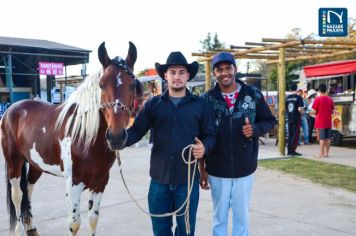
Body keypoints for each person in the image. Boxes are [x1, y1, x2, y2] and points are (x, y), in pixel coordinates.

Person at [124, 51, 216, 236]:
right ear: (165, 75)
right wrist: (118, 138)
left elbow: (211, 135)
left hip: (187, 182)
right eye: (172, 72)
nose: (177, 76)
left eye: (181, 72)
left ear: (188, 75)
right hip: (159, 181)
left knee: (186, 232)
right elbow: (135, 132)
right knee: (160, 231)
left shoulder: (201, 105)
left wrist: (204, 147)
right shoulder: (153, 104)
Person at [199, 52, 276, 236]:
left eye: (228, 68)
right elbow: (200, 135)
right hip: (217, 169)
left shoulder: (253, 94)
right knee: (219, 218)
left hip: (244, 168)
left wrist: (256, 130)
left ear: (235, 69)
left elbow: (269, 120)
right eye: (219, 69)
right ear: (214, 73)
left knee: (242, 218)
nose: (224, 73)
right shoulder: (206, 100)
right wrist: (202, 169)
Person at [310, 83, 334, 158]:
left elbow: (313, 111)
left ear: (319, 90)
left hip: (320, 122)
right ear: (326, 90)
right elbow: (332, 110)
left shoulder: (317, 99)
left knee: (322, 138)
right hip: (328, 121)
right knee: (328, 138)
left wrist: (308, 112)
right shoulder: (330, 99)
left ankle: (321, 154)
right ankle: (327, 153)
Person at [285, 84, 305, 156]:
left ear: (290, 90)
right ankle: (292, 151)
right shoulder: (299, 97)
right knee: (295, 135)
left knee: (290, 135)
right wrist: (304, 112)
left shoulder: (287, 98)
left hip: (289, 118)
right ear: (296, 89)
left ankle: (289, 150)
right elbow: (300, 109)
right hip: (296, 118)